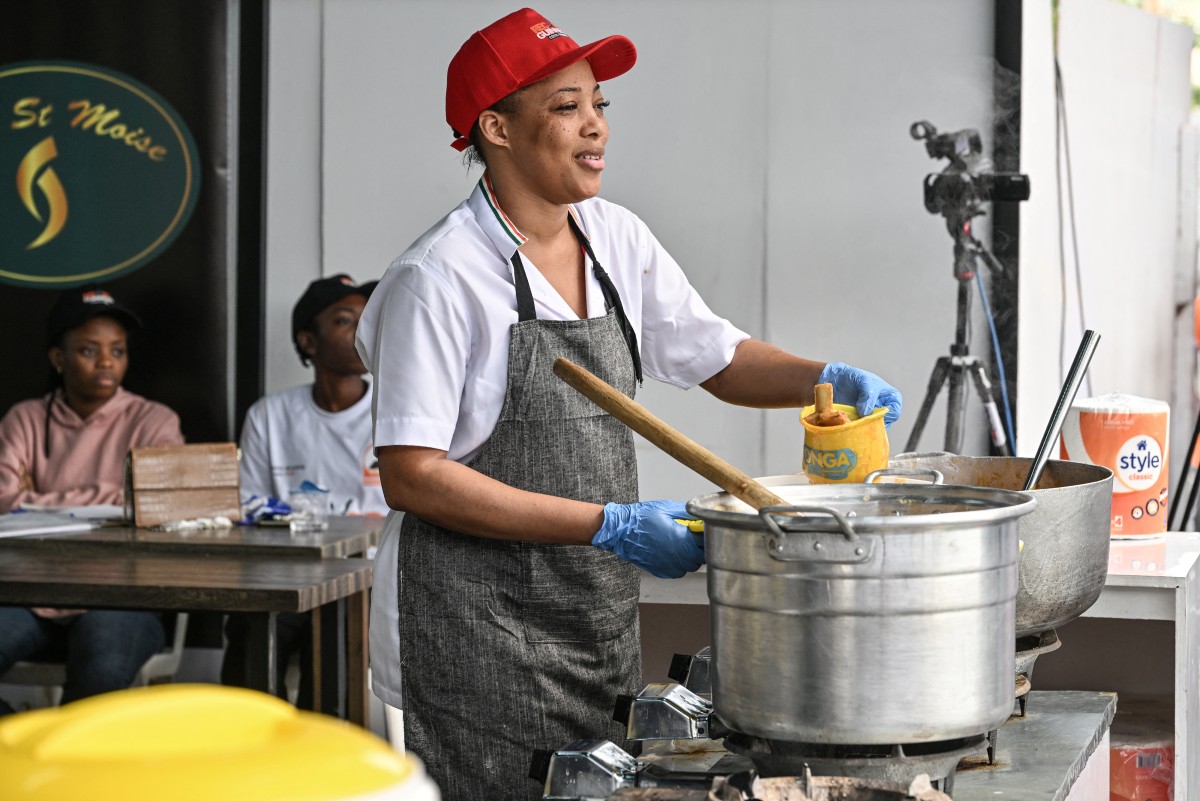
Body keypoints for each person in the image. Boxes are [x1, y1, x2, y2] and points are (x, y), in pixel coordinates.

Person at [354, 9, 903, 799]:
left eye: (600, 104)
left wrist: (827, 377)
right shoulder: (436, 279)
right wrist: (608, 523)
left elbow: (717, 356)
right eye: (566, 106)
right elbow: (413, 476)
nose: (595, 127)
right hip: (473, 628)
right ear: (496, 129)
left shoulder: (615, 238)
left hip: (590, 609)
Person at [0, 285, 184, 715]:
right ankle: (20, 752)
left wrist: (40, 498)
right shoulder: (24, 419)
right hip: (26, 595)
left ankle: (67, 775)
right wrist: (113, 499)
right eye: (88, 350)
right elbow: (4, 501)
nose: (106, 362)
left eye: (117, 350)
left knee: (100, 672)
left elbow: (158, 503)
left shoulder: (154, 421)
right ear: (58, 358)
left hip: (123, 598)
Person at [222, 274, 385, 708]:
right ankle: (249, 749)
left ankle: (323, 757)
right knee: (254, 624)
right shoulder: (270, 416)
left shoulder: (394, 411)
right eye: (344, 321)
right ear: (308, 342)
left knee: (335, 628)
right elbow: (247, 507)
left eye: (367, 319)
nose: (361, 330)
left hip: (369, 579)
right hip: (288, 573)